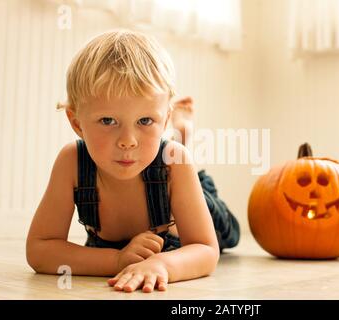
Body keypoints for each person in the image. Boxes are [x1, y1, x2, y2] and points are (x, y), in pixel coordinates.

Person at [25, 29, 240, 293]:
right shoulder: (72, 162)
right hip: (158, 166)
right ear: (77, 123)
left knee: (230, 233)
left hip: (174, 192)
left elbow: (207, 250)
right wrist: (117, 260)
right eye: (108, 121)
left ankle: (179, 137)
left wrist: (162, 265)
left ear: (162, 118)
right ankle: (173, 133)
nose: (128, 141)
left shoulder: (176, 164)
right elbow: (40, 249)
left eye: (145, 121)